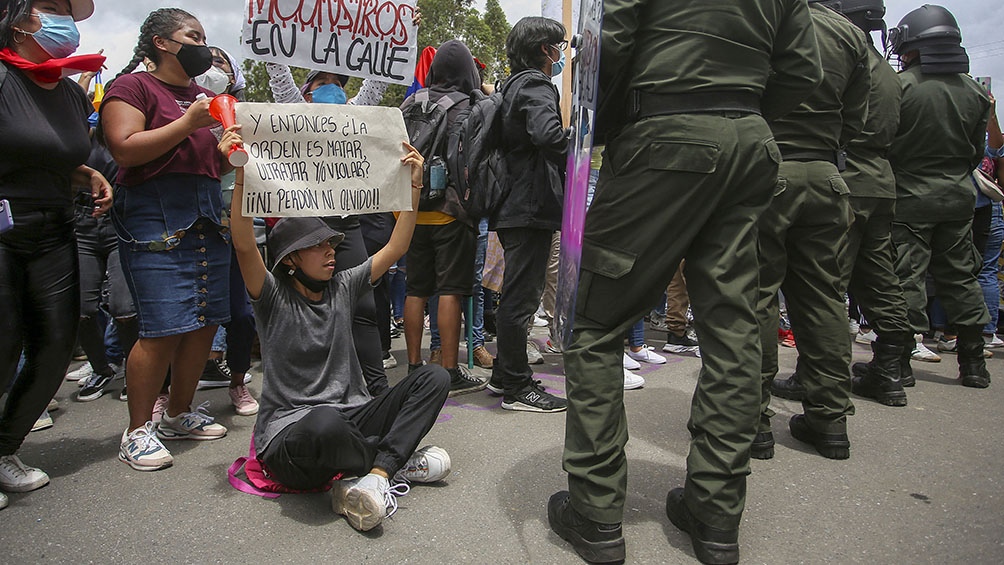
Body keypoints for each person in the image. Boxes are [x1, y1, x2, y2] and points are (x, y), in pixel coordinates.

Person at [548, 1, 821, 564]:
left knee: (594, 323)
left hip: (667, 133)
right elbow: (801, 71)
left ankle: (597, 514)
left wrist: (617, 125)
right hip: (749, 140)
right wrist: (737, 110)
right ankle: (716, 517)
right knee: (733, 329)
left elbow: (610, 43)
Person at [219, 124, 451, 532]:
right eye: (319, 245)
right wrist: (241, 174)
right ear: (290, 259)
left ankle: (377, 475)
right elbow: (243, 245)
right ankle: (394, 460)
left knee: (433, 377)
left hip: (352, 419)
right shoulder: (272, 296)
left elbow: (396, 247)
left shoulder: (343, 286)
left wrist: (412, 187)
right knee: (324, 421)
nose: (331, 251)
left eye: (332, 243)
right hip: (295, 439)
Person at [101, 7, 232, 471]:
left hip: (204, 217)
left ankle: (179, 413)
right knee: (161, 328)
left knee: (204, 321)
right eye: (191, 35)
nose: (201, 44)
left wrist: (229, 155)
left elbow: (212, 162)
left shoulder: (203, 96)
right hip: (154, 219)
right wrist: (187, 124)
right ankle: (137, 430)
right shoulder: (133, 87)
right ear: (161, 42)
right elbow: (124, 147)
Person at [0, 0, 110, 508]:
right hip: (3, 228)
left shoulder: (68, 91)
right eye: (51, 6)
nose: (64, 17)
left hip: (53, 229)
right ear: (18, 18)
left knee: (54, 347)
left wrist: (85, 173)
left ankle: (5, 450)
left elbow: (51, 151)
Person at [755, 0, 870, 463]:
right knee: (823, 296)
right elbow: (857, 117)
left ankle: (751, 421)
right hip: (826, 174)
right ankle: (829, 420)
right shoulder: (850, 34)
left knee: (755, 295)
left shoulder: (764, 15)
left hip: (768, 167)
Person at [887, 4, 992, 389]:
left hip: (909, 198)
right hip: (957, 198)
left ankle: (899, 364)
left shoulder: (902, 87)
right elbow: (974, 154)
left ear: (911, 43)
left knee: (906, 278)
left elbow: (884, 142)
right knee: (961, 278)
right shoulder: (976, 92)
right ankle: (974, 364)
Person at [485, 16, 569, 413]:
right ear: (543, 49)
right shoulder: (536, 84)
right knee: (522, 299)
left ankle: (505, 373)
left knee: (516, 296)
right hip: (530, 205)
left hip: (515, 204)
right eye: (559, 47)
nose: (561, 56)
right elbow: (549, 136)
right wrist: (582, 137)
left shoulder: (511, 86)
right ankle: (518, 388)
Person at [400, 40, 485, 396]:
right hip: (451, 212)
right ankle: (449, 370)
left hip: (412, 211)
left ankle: (414, 366)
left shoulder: (408, 104)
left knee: (415, 289)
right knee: (451, 289)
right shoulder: (467, 106)